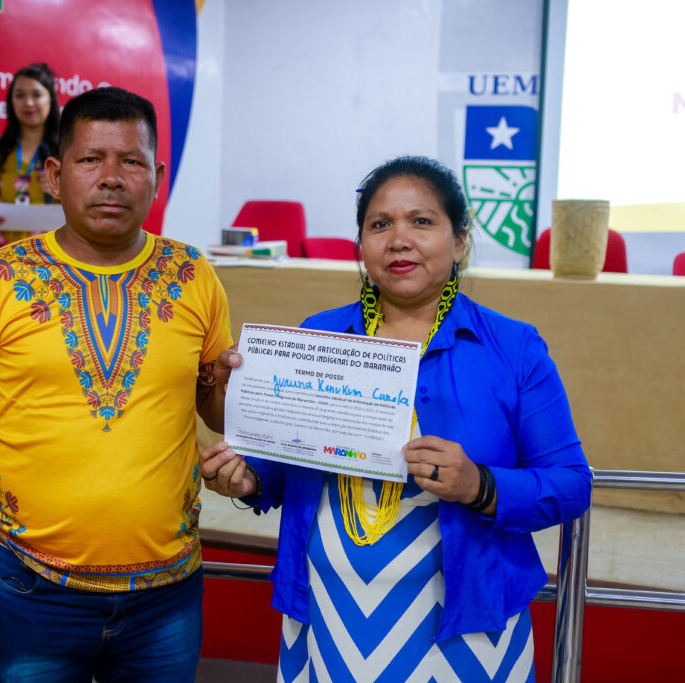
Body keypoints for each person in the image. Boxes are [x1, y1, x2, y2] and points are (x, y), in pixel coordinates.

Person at [201, 156, 592, 682]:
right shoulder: (318, 337)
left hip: (468, 630)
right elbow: (285, 462)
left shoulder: (513, 348)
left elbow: (571, 485)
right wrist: (247, 477)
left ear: (459, 241)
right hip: (328, 616)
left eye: (421, 221)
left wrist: (480, 486)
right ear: (361, 245)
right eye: (380, 224)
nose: (399, 240)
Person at [0, 86, 238, 682]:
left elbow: (214, 410)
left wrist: (233, 391)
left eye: (132, 161)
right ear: (55, 175)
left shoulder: (193, 275)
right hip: (31, 590)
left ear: (156, 177)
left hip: (166, 597)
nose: (111, 178)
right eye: (91, 159)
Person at [0, 62, 61, 255]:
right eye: (20, 95)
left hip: (55, 252)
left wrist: (62, 190)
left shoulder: (68, 149)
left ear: (50, 99)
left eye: (36, 95)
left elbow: (88, 207)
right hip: (7, 254)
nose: (28, 102)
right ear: (11, 101)